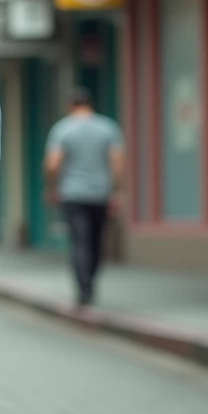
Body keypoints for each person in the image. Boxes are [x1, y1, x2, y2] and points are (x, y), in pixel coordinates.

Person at [44, 87, 125, 307]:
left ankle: (84, 288)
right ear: (91, 104)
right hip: (100, 194)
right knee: (96, 241)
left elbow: (53, 163)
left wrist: (52, 186)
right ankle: (91, 281)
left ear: (71, 106)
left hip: (72, 194)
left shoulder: (62, 129)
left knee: (80, 241)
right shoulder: (108, 128)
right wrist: (117, 191)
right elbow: (117, 162)